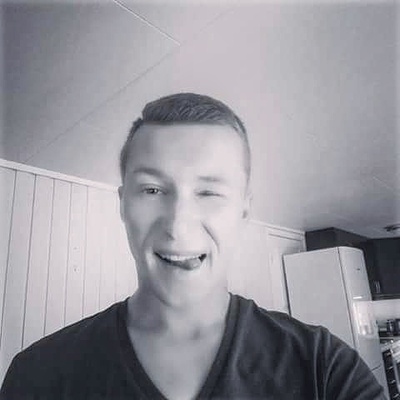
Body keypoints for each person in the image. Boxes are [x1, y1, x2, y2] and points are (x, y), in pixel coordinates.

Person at [0, 93, 386, 399]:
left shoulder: (325, 369)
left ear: (243, 210)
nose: (177, 225)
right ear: (123, 204)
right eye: (152, 190)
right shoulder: (38, 374)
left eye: (208, 192)